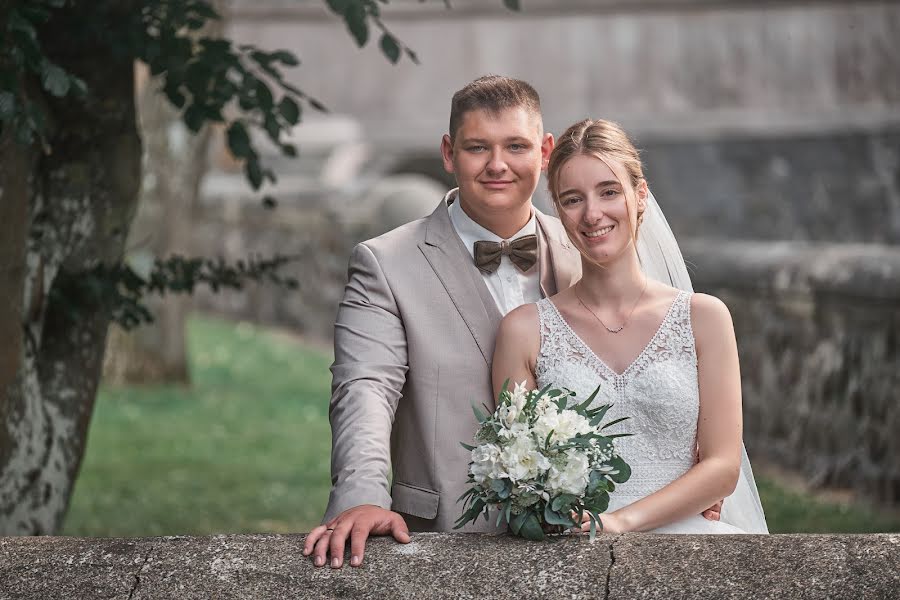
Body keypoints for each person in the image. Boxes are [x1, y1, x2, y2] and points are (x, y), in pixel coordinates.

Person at [302, 76, 582, 569]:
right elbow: (365, 387)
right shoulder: (384, 263)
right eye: (478, 147)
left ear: (544, 152)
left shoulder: (587, 252)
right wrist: (361, 494)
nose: (497, 165)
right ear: (449, 153)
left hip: (575, 538)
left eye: (516, 146)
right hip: (439, 539)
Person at [491, 118, 769, 534]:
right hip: (571, 549)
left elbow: (723, 467)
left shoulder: (704, 318)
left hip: (687, 540)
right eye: (572, 199)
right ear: (559, 213)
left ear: (640, 196)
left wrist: (619, 522)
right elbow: (519, 470)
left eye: (608, 192)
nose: (592, 214)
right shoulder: (525, 331)